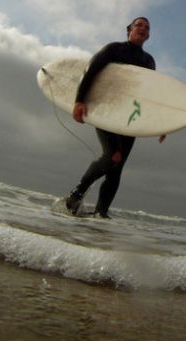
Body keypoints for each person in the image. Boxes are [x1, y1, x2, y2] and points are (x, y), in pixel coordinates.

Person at [65, 17, 166, 218]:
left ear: (149, 35)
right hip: (106, 109)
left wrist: (161, 123)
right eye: (139, 25)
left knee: (117, 169)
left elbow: (148, 94)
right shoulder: (114, 49)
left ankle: (101, 214)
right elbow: (91, 71)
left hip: (128, 117)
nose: (143, 29)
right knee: (113, 156)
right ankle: (76, 194)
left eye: (147, 27)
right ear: (129, 29)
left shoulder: (149, 61)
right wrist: (79, 100)